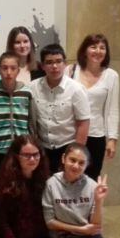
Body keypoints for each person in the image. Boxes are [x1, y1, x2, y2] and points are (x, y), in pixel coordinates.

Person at [30, 44, 90, 173]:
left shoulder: (76, 90)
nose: (54, 66)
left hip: (67, 148)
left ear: (65, 63)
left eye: (58, 61)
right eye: (49, 62)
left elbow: (83, 124)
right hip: (42, 149)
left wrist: (75, 155)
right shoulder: (32, 88)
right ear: (42, 66)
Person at [68, 34, 119, 180]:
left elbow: (112, 111)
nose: (98, 51)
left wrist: (112, 139)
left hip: (96, 135)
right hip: (72, 133)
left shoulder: (111, 76)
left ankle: (91, 204)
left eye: (102, 48)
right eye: (93, 47)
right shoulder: (71, 71)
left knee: (91, 178)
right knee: (69, 177)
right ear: (84, 50)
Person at [0, 52, 37, 170]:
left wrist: (30, 145)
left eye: (13, 68)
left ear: (18, 70)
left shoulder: (27, 93)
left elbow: (32, 123)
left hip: (22, 151)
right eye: (4, 68)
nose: (9, 72)